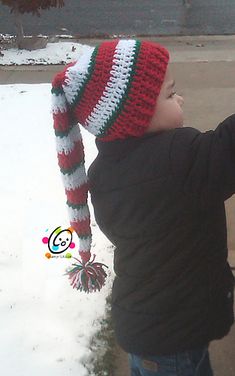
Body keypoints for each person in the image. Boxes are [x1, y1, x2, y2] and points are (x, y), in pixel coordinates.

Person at [51, 39, 235, 376]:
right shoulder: (175, 159)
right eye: (169, 95)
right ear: (134, 120)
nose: (180, 98)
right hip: (175, 338)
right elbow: (226, 151)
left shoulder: (104, 172)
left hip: (150, 328)